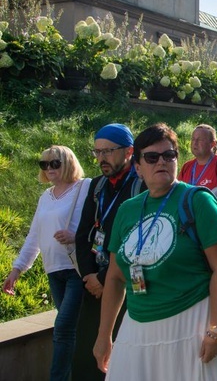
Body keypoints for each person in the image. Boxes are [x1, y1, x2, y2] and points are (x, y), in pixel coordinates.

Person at [93, 123, 217, 379]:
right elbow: (114, 277)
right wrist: (104, 335)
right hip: (136, 325)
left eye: (169, 155)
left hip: (190, 324)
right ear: (137, 167)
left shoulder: (199, 200)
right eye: (152, 157)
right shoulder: (127, 209)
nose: (162, 162)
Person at [3, 146, 90, 381]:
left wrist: (76, 236)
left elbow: (99, 222)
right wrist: (17, 270)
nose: (49, 169)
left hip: (77, 270)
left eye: (55, 163)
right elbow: (34, 237)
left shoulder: (85, 187)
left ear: (68, 163)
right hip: (54, 271)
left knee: (62, 328)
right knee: (69, 330)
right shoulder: (46, 196)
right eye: (44, 164)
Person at [74, 123, 146, 380]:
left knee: (123, 353)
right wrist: (90, 276)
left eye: (108, 151)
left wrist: (106, 278)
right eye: (97, 152)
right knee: (85, 353)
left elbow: (140, 242)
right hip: (94, 285)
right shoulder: (97, 187)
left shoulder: (142, 187)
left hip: (130, 285)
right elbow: (82, 236)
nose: (101, 158)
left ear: (129, 152)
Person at [178, 124, 217, 213]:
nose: (195, 142)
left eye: (200, 140)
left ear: (212, 144)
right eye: (193, 139)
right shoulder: (187, 167)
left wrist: (211, 214)